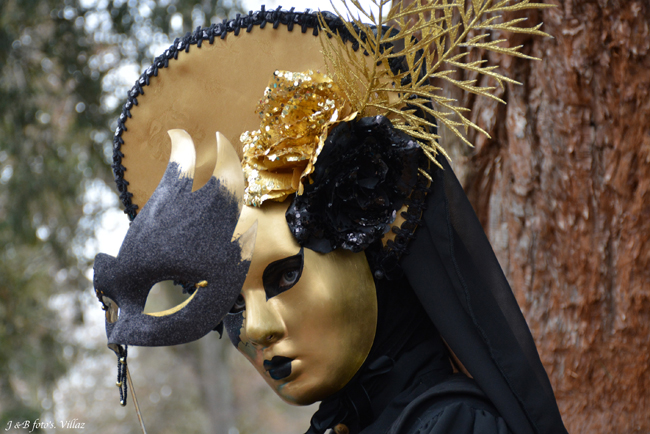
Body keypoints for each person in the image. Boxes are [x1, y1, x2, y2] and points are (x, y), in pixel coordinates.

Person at [93, 4, 569, 434]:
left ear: (366, 242)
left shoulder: (455, 427)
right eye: (231, 308)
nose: (256, 330)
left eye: (283, 274)